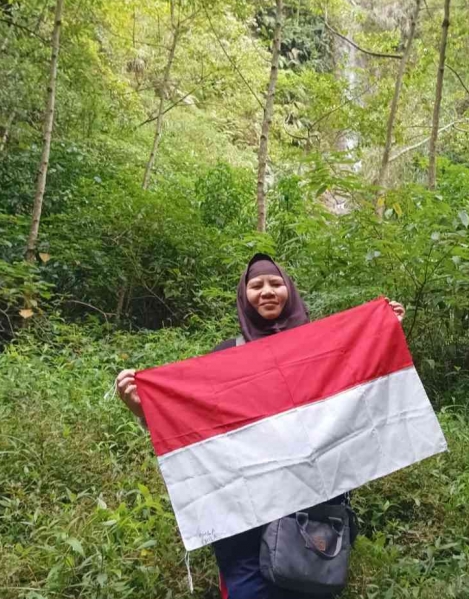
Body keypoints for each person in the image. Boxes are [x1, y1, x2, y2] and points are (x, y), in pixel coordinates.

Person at [116, 254, 405, 599]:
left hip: (311, 512)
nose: (267, 291)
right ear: (244, 295)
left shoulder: (321, 348)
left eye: (275, 283)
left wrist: (383, 333)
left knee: (308, 589)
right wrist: (140, 406)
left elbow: (360, 393)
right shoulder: (224, 356)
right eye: (256, 285)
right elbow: (191, 425)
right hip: (243, 516)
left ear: (289, 290)